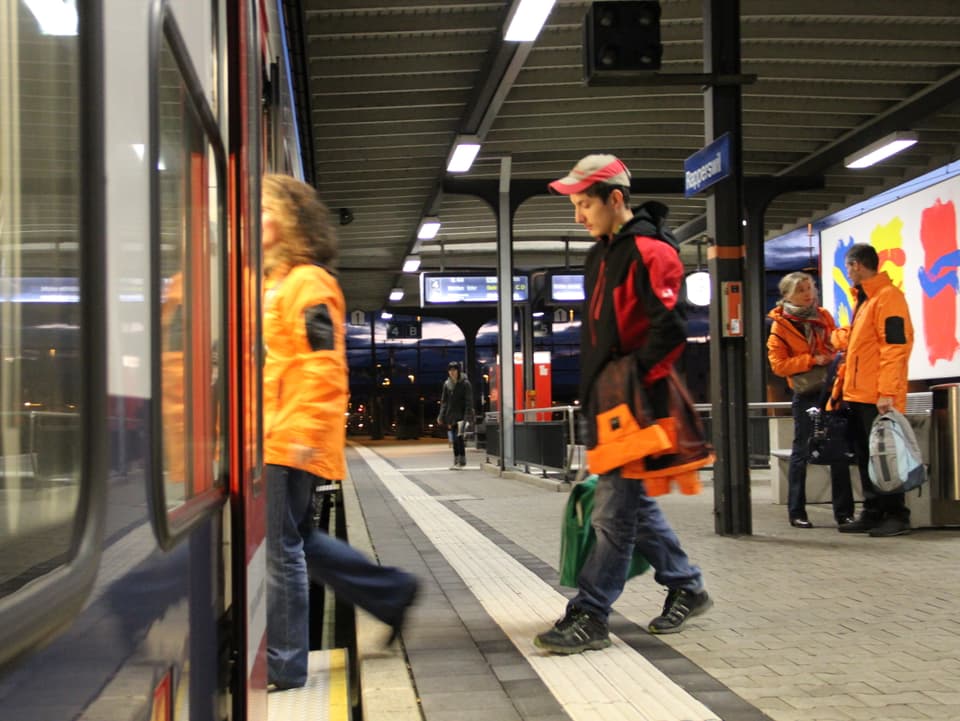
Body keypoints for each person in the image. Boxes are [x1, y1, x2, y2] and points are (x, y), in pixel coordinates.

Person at [534, 154, 712, 655]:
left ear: (616, 199)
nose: (578, 216)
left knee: (612, 513)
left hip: (636, 405)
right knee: (631, 506)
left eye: (584, 203)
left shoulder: (652, 252)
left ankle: (591, 613)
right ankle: (687, 584)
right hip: (608, 403)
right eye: (575, 205)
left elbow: (671, 328)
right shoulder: (603, 252)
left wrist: (630, 379)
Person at [262, 174, 419, 690]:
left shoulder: (309, 283)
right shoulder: (273, 282)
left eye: (266, 209)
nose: (255, 218)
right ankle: (390, 592)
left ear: (293, 221)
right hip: (273, 430)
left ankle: (285, 666)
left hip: (290, 435)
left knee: (283, 546)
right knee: (299, 539)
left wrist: (303, 431)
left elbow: (322, 365)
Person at [833, 243, 914, 537]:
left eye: (848, 266)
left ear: (856, 265)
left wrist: (887, 393)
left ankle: (896, 513)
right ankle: (873, 510)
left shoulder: (888, 298)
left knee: (885, 456)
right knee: (867, 456)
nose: (847, 272)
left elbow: (894, 347)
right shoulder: (865, 300)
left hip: (877, 396)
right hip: (859, 395)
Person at [766, 271, 855, 528]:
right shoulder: (780, 326)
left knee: (838, 449)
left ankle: (844, 513)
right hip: (806, 393)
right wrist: (811, 360)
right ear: (787, 295)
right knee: (801, 451)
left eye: (810, 287)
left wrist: (835, 350)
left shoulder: (824, 316)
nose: (808, 294)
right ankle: (797, 511)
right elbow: (779, 366)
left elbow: (836, 340)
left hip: (832, 389)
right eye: (801, 290)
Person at [437, 360, 473, 470]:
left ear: (458, 371)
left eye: (454, 370)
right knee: (454, 439)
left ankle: (461, 461)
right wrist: (441, 416)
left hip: (461, 416)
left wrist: (467, 416)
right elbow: (444, 402)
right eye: (450, 370)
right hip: (450, 416)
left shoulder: (465, 383)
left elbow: (468, 401)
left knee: (459, 438)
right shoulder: (446, 384)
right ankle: (457, 461)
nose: (452, 372)